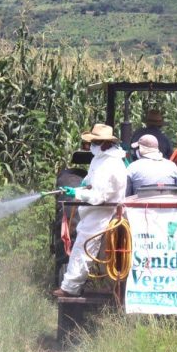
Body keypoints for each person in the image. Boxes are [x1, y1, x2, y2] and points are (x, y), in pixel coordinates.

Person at [53, 123, 127, 297]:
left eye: (95, 141)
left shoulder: (111, 164)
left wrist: (77, 193)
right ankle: (72, 285)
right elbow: (89, 180)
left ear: (106, 143)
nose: (92, 145)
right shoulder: (99, 159)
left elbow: (98, 196)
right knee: (82, 246)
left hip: (103, 211)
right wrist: (82, 186)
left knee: (83, 248)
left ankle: (70, 288)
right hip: (93, 211)